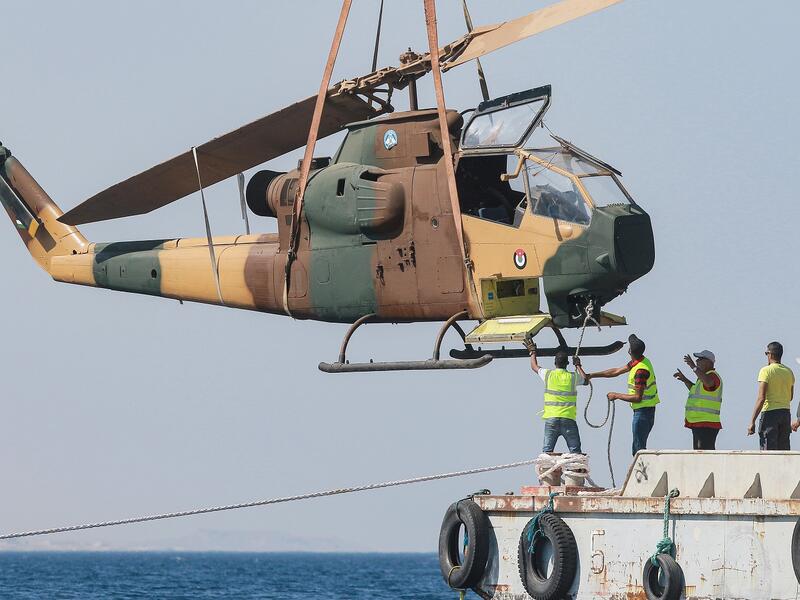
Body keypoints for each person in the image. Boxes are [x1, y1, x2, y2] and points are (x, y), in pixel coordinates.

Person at [586, 334, 659, 456]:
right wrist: (592, 375)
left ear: (630, 351)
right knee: (637, 448)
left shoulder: (641, 370)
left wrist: (616, 395)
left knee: (638, 450)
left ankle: (641, 474)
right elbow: (616, 371)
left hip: (643, 413)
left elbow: (637, 397)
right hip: (643, 412)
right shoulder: (639, 361)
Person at [524, 339, 588, 454]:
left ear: (555, 363)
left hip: (551, 420)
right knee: (576, 453)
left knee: (547, 453)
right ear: (567, 364)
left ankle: (547, 470)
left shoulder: (548, 374)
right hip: (568, 420)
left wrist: (532, 352)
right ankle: (576, 470)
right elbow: (586, 380)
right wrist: (578, 365)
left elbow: (534, 366)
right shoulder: (573, 377)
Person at [747, 341, 795, 450]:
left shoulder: (766, 371)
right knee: (783, 452)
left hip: (770, 414)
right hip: (785, 414)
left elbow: (761, 398)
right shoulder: (789, 372)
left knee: (768, 452)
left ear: (770, 354)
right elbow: (790, 397)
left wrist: (752, 421)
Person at [673, 350, 722, 449]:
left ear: (708, 362)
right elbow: (695, 390)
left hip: (707, 423)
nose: (697, 361)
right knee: (698, 451)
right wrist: (685, 380)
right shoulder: (703, 378)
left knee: (704, 451)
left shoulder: (713, 376)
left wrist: (693, 367)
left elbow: (709, 383)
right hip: (699, 422)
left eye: (700, 359)